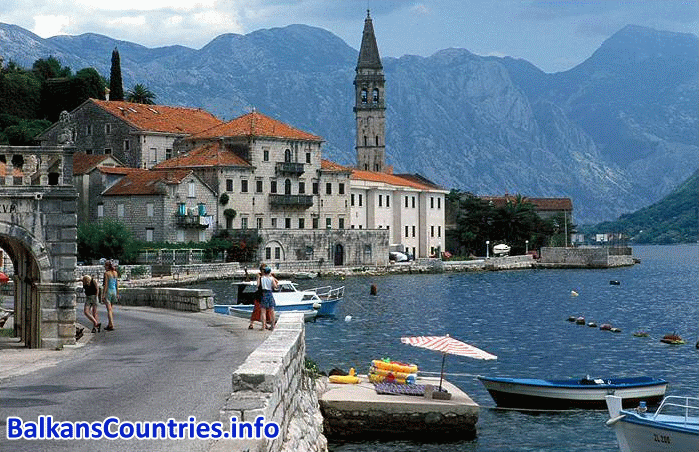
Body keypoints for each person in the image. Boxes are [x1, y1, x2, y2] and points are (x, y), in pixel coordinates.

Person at [259, 266, 278, 331]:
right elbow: (275, 286)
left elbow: (258, 285)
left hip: (264, 293)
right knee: (272, 310)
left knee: (263, 311)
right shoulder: (271, 278)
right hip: (269, 293)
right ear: (269, 272)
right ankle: (273, 325)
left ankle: (263, 326)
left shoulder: (261, 278)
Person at [248, 263, 266, 330]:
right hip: (260, 294)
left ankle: (264, 324)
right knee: (257, 309)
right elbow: (258, 285)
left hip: (262, 294)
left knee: (263, 310)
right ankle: (252, 324)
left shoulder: (263, 276)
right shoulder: (260, 276)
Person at [101, 260, 118, 331]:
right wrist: (117, 293)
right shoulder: (115, 273)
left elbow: (106, 285)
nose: (105, 267)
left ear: (107, 266)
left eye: (105, 265)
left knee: (109, 310)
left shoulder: (106, 273)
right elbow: (117, 284)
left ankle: (111, 324)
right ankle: (109, 324)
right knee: (111, 309)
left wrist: (103, 294)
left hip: (109, 291)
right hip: (114, 291)